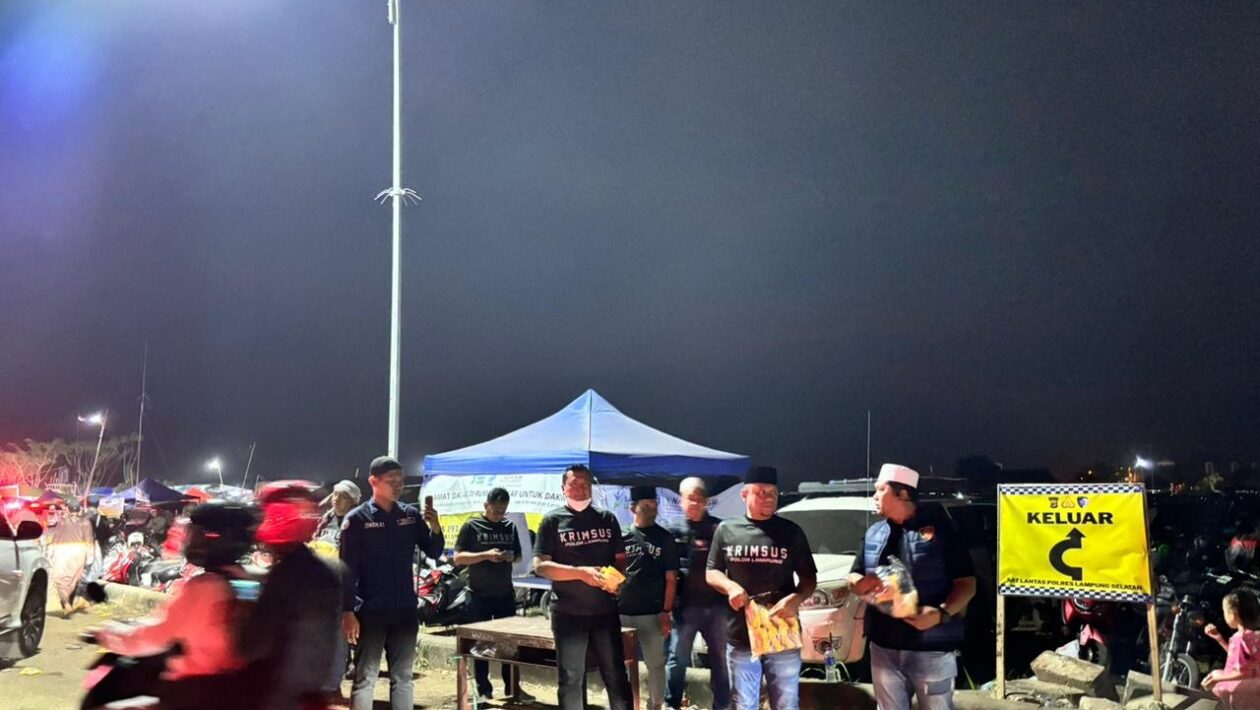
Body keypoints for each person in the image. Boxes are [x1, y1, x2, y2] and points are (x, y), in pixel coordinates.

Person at [87, 501, 257, 710]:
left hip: (193, 693)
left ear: (212, 538)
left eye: (197, 533)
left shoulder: (204, 587)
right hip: (228, 691)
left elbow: (156, 635)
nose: (191, 539)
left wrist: (109, 636)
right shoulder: (245, 581)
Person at [847, 464, 976, 710]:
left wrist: (941, 613)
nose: (874, 496)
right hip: (883, 646)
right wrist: (861, 583)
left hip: (931, 648)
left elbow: (967, 584)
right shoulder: (874, 533)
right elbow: (854, 575)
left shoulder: (942, 532)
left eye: (880, 489)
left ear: (903, 494)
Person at [706, 465, 817, 710]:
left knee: (786, 702)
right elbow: (712, 571)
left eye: (773, 493)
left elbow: (809, 578)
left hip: (781, 630)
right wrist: (730, 587)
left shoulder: (791, 532)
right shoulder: (726, 530)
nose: (768, 498)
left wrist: (796, 598)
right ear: (744, 495)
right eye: (761, 492)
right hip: (741, 632)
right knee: (744, 703)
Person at [340, 456, 445, 710]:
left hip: (404, 609)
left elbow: (433, 551)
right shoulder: (357, 520)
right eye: (391, 481)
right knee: (366, 678)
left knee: (404, 678)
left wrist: (435, 526)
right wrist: (347, 612)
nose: (398, 486)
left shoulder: (410, 516)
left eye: (401, 481)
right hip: (370, 611)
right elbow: (346, 570)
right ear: (373, 482)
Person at [533, 464, 634, 710]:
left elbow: (620, 559)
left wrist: (618, 580)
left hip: (605, 612)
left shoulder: (607, 518)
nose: (580, 489)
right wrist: (580, 573)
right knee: (570, 679)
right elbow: (541, 566)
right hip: (568, 614)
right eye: (574, 484)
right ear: (563, 488)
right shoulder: (552, 521)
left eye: (585, 484)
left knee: (616, 676)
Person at [238, 481, 342, 710]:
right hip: (309, 692)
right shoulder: (318, 569)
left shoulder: (287, 575)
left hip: (279, 695)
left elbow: (255, 644)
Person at [453, 487, 526, 703]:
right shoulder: (472, 526)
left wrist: (510, 557)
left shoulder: (509, 526)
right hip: (479, 595)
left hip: (504, 594)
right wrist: (486, 555)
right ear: (486, 505)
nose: (499, 515)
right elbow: (458, 558)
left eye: (503, 511)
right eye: (496, 510)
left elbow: (519, 556)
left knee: (509, 644)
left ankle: (512, 687)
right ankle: (483, 689)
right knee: (482, 645)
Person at [666, 476, 730, 710]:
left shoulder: (719, 529)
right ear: (681, 500)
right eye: (690, 498)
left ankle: (722, 705)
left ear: (706, 501)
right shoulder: (673, 531)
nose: (694, 503)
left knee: (720, 660)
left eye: (699, 498)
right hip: (684, 609)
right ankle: (671, 704)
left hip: (716, 609)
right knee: (677, 659)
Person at [619, 485, 679, 710]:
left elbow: (671, 578)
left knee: (655, 663)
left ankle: (656, 705)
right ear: (633, 508)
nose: (652, 510)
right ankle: (623, 704)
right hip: (622, 613)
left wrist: (666, 611)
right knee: (620, 664)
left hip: (652, 614)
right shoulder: (621, 536)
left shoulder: (665, 538)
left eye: (654, 505)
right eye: (646, 506)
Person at [1202, 588, 1260, 707]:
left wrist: (1218, 677)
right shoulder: (1255, 636)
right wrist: (1220, 639)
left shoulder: (1239, 638)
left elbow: (1245, 672)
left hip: (1242, 693)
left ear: (1233, 615)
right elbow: (1241, 659)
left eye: (1224, 611)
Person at [45, 497, 96, 617]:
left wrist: (50, 552)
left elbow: (53, 538)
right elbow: (89, 541)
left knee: (61, 581)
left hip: (62, 553)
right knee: (73, 580)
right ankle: (69, 603)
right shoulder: (85, 522)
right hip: (78, 554)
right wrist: (90, 557)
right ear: (79, 510)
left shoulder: (61, 522)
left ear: (68, 509)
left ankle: (66, 604)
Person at [315, 479, 361, 544]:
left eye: (343, 497)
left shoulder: (358, 523)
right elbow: (316, 538)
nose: (336, 499)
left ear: (352, 502)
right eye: (335, 494)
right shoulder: (326, 518)